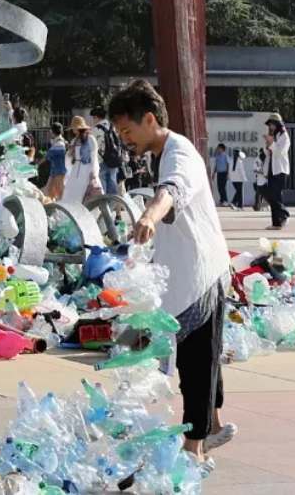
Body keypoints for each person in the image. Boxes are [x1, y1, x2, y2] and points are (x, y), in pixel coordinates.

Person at [108, 79, 234, 471]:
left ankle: (194, 447)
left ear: (149, 120)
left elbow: (171, 192)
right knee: (200, 356)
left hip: (199, 274)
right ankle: (211, 424)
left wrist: (148, 215)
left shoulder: (179, 154)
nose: (125, 141)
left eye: (128, 132)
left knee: (196, 361)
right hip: (186, 272)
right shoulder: (162, 153)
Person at [61, 115, 100, 203]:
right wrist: (70, 152)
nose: (73, 130)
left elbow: (94, 157)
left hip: (87, 169)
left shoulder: (90, 139)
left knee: (86, 193)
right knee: (71, 193)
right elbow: (69, 158)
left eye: (74, 128)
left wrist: (94, 172)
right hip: (75, 169)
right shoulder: (74, 140)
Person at [91, 106, 127, 196]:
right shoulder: (112, 126)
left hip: (101, 160)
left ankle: (104, 204)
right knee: (112, 182)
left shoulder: (96, 129)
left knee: (102, 183)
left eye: (93, 118)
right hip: (114, 158)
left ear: (96, 117)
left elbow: (94, 146)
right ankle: (112, 205)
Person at [264, 113, 290, 230]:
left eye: (272, 124)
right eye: (269, 125)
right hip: (272, 169)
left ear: (277, 124)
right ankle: (276, 223)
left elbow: (280, 152)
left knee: (275, 195)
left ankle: (284, 214)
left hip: (280, 170)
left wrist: (271, 143)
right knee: (271, 195)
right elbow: (268, 153)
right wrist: (268, 143)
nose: (270, 127)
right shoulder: (274, 136)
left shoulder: (284, 136)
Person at [44, 122, 68, 200]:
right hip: (55, 170)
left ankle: (63, 207)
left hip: (59, 171)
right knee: (49, 191)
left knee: (59, 192)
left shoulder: (59, 143)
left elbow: (48, 156)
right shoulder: (58, 141)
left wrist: (37, 164)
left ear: (52, 131)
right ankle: (52, 208)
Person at [212, 143, 230, 208]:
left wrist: (228, 174)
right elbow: (216, 165)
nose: (218, 149)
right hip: (219, 173)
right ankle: (222, 200)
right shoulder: (217, 156)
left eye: (219, 148)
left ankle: (225, 201)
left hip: (224, 173)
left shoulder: (225, 156)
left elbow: (228, 165)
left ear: (222, 149)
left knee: (223, 187)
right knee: (219, 187)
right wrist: (214, 173)